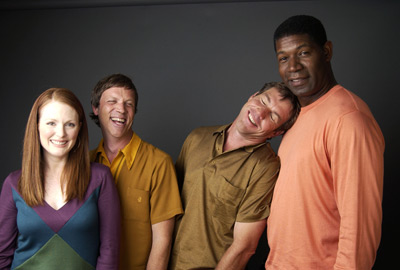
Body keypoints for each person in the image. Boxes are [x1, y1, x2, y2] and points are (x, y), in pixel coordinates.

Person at [265, 15, 385, 270]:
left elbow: (360, 228)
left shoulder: (348, 119)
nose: (293, 66)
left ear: (326, 52)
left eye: (303, 52)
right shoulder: (297, 116)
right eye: (283, 58)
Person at [169, 82, 300, 270]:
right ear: (252, 96)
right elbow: (167, 206)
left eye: (272, 116)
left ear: (276, 132)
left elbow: (244, 246)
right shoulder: (197, 137)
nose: (260, 113)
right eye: (263, 101)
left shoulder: (265, 167)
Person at [0, 88, 121, 270]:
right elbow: (2, 254)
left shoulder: (100, 178)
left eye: (69, 124)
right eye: (51, 123)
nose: (61, 133)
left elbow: (110, 250)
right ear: (37, 125)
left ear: (79, 128)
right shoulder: (14, 183)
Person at [89, 73, 183, 270]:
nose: (121, 110)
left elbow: (162, 241)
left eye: (129, 104)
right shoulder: (84, 164)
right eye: (112, 101)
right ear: (96, 109)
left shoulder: (159, 163)